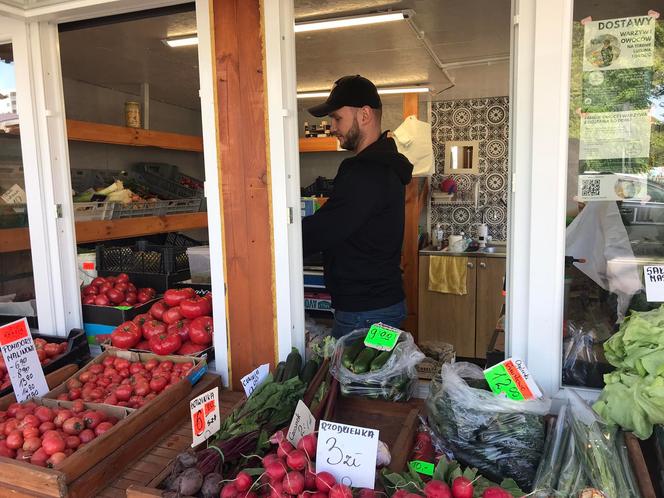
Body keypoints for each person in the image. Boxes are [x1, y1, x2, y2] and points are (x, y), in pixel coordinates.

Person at [302, 75, 413, 338]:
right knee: (372, 378)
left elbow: (325, 229)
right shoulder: (383, 167)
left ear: (364, 115)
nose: (332, 127)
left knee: (358, 378)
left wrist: (273, 241)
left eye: (337, 118)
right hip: (378, 306)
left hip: (366, 313)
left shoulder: (366, 171)